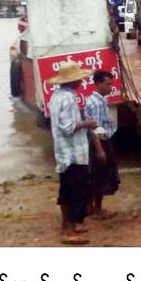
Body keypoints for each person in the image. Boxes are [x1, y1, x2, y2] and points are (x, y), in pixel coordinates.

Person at [48, 61, 97, 244]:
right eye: (80, 79)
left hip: (65, 152)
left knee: (70, 190)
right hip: (71, 154)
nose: (82, 82)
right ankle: (66, 230)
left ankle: (73, 224)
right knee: (71, 191)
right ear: (73, 82)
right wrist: (88, 123)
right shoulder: (68, 98)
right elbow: (68, 127)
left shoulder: (57, 96)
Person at [84, 70, 120, 220]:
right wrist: (100, 150)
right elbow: (95, 129)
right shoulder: (96, 103)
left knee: (95, 174)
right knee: (102, 174)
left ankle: (90, 207)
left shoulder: (98, 100)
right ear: (98, 84)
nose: (111, 87)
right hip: (100, 142)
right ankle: (97, 209)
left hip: (99, 141)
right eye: (108, 84)